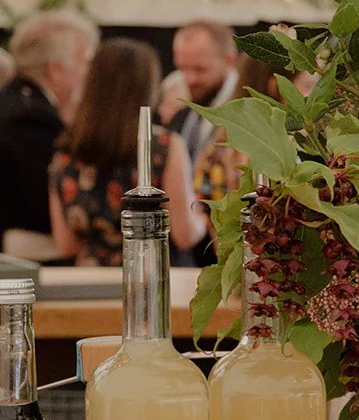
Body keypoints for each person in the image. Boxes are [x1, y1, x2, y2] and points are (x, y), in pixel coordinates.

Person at [48, 39, 206, 266]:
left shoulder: (67, 151)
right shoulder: (163, 146)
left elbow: (66, 245)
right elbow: (185, 235)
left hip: (91, 284)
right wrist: (203, 215)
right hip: (157, 277)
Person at [0, 9, 98, 259]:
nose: (89, 73)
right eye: (84, 61)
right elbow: (46, 205)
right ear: (55, 69)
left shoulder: (14, 102)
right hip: (31, 264)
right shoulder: (33, 120)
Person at [193, 54, 280, 206]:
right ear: (276, 87)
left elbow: (203, 204)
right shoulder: (275, 154)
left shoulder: (218, 144)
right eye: (306, 85)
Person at [169, 20, 239, 163]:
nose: (190, 79)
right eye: (182, 68)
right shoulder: (181, 116)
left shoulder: (248, 114)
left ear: (229, 60)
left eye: (200, 69)